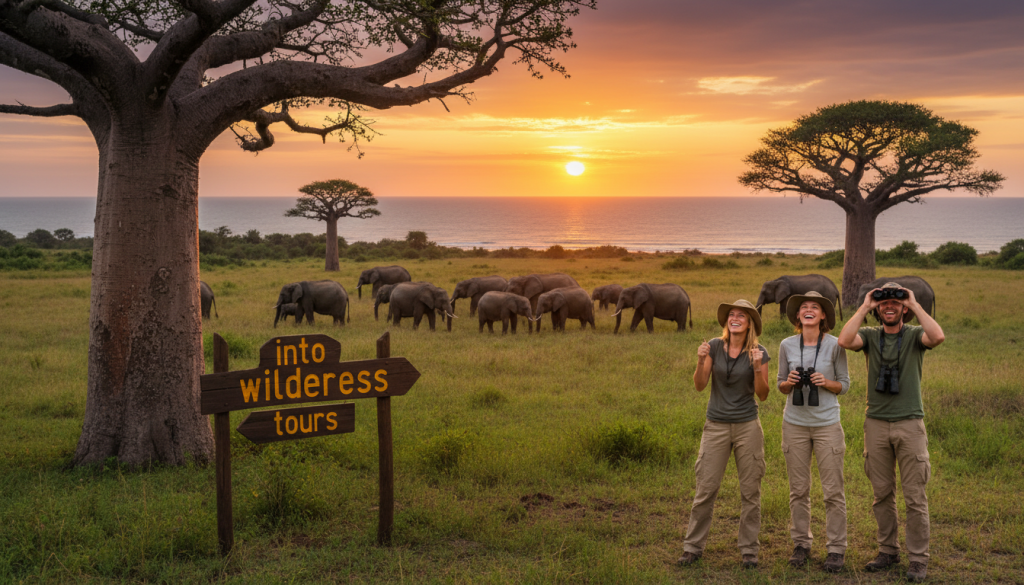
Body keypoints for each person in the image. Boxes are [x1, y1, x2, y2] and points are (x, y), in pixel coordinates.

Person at [838, 282, 945, 583]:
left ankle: (918, 559)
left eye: (896, 303)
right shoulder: (870, 337)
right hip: (876, 422)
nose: (889, 306)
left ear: (903, 309)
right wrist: (865, 306)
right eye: (884, 302)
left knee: (914, 496)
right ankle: (888, 551)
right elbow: (845, 341)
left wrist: (913, 301)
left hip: (910, 422)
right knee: (881, 494)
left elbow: (937, 336)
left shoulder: (913, 336)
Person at [679, 299, 771, 569]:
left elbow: (763, 395)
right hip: (716, 425)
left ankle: (749, 552)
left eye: (741, 315)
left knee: (750, 491)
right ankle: (692, 547)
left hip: (747, 426)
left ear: (749, 322)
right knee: (706, 489)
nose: (735, 318)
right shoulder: (715, 347)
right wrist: (699, 359)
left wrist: (756, 366)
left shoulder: (759, 351)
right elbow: (699, 385)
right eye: (731, 314)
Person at [777, 291, 850, 572]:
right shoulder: (786, 345)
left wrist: (825, 382)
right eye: (803, 307)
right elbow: (780, 384)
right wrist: (789, 383)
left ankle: (836, 549)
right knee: (798, 489)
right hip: (794, 423)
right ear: (798, 315)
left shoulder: (835, 345)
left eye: (815, 308)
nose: (808, 310)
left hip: (827, 423)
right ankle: (801, 544)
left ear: (823, 316)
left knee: (833, 491)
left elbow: (844, 384)